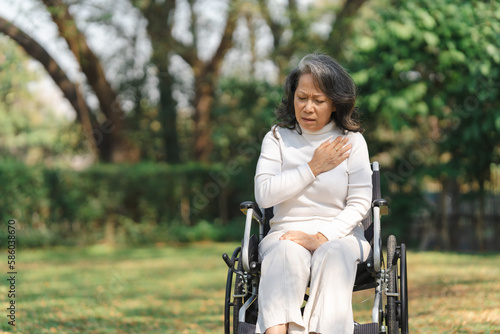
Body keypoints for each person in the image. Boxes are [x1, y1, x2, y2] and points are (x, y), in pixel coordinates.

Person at [254, 53, 372, 334]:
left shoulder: (352, 142)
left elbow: (360, 203)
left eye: (318, 100)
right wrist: (313, 167)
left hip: (340, 236)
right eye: (301, 97)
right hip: (286, 233)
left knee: (333, 253)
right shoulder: (277, 138)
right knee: (285, 251)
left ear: (334, 104)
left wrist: (321, 237)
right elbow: (264, 195)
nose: (307, 108)